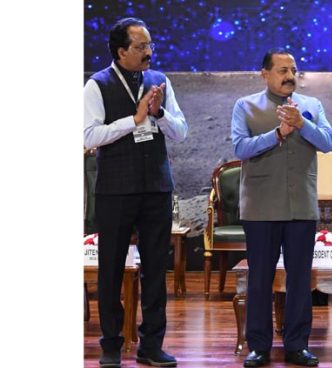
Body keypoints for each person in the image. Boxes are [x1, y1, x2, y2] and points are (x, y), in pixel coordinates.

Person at [84, 17, 187, 368]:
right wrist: (135, 119)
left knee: (156, 270)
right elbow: (88, 137)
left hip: (156, 188)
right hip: (115, 191)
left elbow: (181, 131)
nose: (149, 52)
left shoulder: (160, 81)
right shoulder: (97, 85)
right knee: (111, 268)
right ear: (121, 51)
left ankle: (152, 345)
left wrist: (158, 114)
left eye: (150, 45)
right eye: (141, 47)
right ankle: (112, 345)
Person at [231, 48, 332, 368]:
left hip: (301, 206)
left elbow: (328, 142)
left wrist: (302, 125)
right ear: (264, 73)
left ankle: (297, 345)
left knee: (300, 279)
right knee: (260, 279)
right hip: (261, 207)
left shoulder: (311, 107)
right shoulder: (245, 106)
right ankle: (259, 346)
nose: (290, 76)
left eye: (293, 69)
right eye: (281, 70)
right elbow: (240, 147)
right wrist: (277, 133)